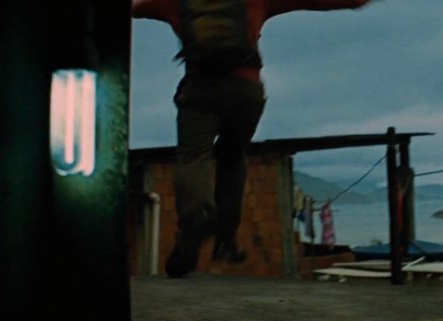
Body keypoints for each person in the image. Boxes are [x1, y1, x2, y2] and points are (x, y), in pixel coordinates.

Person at [132, 0, 371, 278]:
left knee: (193, 156)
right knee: (232, 158)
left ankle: (196, 217)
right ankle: (225, 240)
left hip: (199, 92)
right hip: (245, 92)